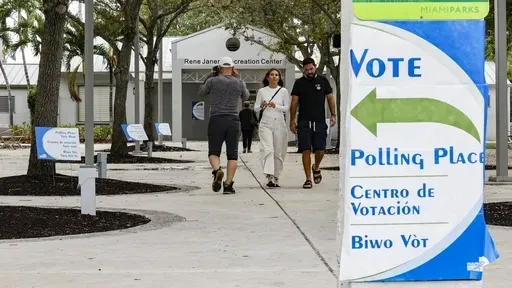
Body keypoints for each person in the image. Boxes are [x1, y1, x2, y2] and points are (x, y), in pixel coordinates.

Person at [198, 56, 250, 194]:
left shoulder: (212, 81)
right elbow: (246, 96)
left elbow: (201, 92)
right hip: (233, 120)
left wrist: (209, 75)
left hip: (216, 119)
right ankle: (228, 185)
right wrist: (238, 78)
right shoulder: (239, 82)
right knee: (232, 155)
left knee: (214, 152)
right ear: (232, 68)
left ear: (219, 68)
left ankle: (217, 170)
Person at [289, 57, 336, 189]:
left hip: (319, 120)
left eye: (311, 69)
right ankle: (308, 178)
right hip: (304, 121)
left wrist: (333, 114)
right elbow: (294, 103)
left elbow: (330, 98)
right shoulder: (299, 83)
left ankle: (316, 167)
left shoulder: (323, 81)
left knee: (320, 149)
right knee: (306, 149)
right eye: (307, 70)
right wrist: (292, 121)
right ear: (303, 70)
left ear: (315, 67)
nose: (309, 71)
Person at [254, 68, 290, 188]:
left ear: (279, 77)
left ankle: (276, 176)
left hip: (279, 122)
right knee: (268, 149)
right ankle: (269, 175)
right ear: (268, 77)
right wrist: (262, 105)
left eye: (276, 75)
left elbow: (286, 108)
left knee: (278, 151)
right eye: (272, 75)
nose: (274, 77)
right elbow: (255, 108)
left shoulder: (283, 91)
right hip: (266, 122)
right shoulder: (262, 91)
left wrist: (276, 106)